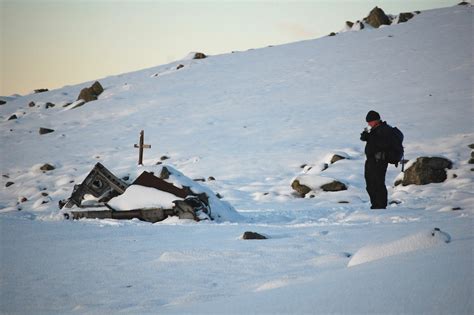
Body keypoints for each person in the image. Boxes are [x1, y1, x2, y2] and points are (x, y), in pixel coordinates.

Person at [360, 110, 392, 209]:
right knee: (370, 184)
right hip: (371, 160)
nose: (369, 124)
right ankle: (375, 204)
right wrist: (366, 136)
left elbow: (383, 144)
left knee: (378, 183)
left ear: (377, 120)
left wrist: (370, 136)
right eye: (368, 122)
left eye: (370, 121)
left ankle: (381, 205)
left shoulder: (384, 129)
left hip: (379, 161)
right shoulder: (374, 130)